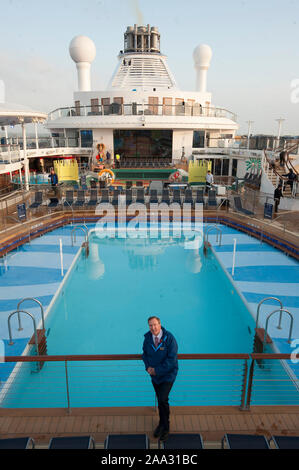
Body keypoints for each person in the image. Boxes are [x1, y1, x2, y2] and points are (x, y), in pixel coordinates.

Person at [142, 316, 178, 441]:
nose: (153, 327)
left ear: (160, 324)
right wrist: (148, 367)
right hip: (155, 376)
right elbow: (145, 354)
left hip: (168, 375)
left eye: (155, 324)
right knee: (160, 400)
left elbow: (172, 360)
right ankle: (161, 424)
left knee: (163, 399)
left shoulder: (169, 338)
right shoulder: (147, 338)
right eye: (150, 325)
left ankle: (166, 426)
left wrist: (156, 370)